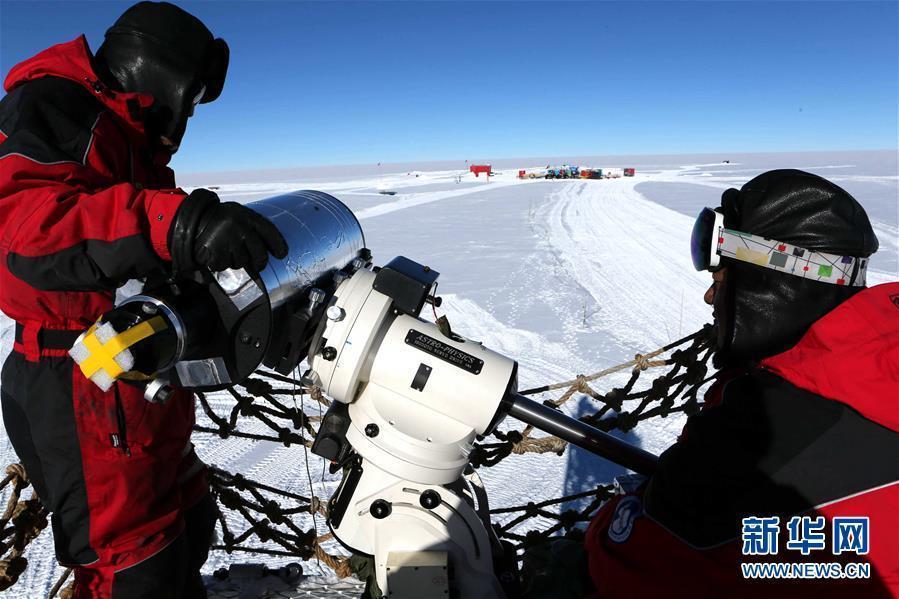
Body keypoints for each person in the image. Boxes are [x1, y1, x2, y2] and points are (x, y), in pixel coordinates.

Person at [0, 2, 287, 597]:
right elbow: (26, 231)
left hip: (136, 361)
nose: (185, 115)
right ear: (159, 72)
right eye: (189, 97)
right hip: (80, 373)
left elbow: (138, 245)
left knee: (187, 520)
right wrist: (177, 223)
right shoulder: (56, 105)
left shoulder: (129, 137)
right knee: (131, 565)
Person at [584, 169, 898, 597]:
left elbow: (632, 561)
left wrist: (612, 518)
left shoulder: (760, 434)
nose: (711, 299)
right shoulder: (875, 364)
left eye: (723, 279)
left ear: (773, 285)